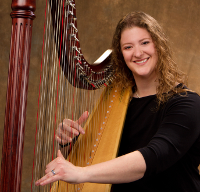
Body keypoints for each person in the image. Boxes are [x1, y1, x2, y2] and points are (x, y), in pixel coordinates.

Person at [35, 11, 200, 191]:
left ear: (159, 46)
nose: (137, 53)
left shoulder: (187, 104)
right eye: (128, 47)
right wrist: (70, 140)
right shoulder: (119, 101)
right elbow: (104, 158)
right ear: (121, 55)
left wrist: (81, 173)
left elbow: (154, 156)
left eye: (145, 43)